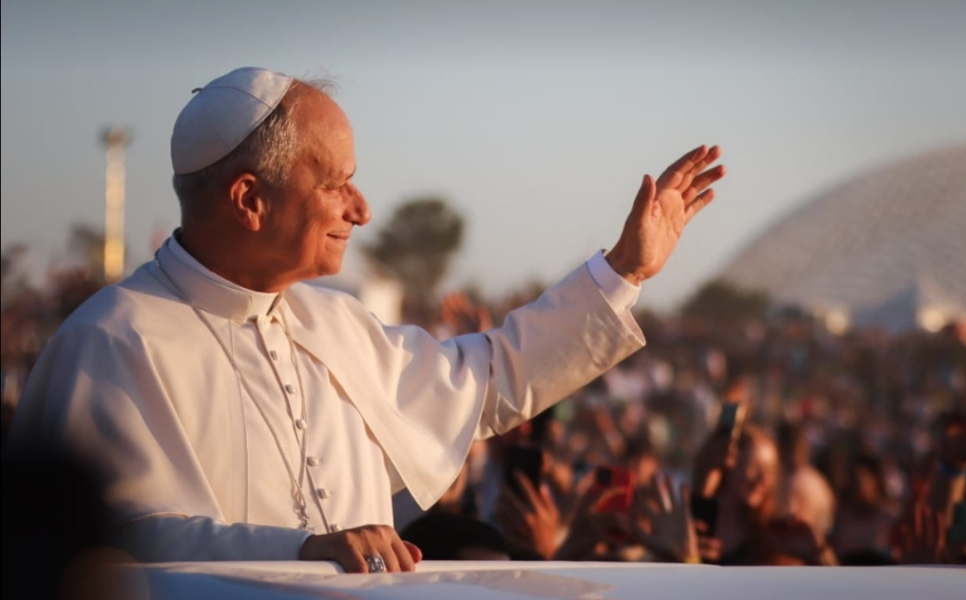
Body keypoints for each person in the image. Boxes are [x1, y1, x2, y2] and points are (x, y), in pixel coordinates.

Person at [6, 67, 727, 573]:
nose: (362, 209)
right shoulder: (110, 340)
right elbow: (100, 550)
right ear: (250, 200)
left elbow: (490, 374)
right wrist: (298, 552)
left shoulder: (334, 326)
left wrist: (623, 271)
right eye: (335, 184)